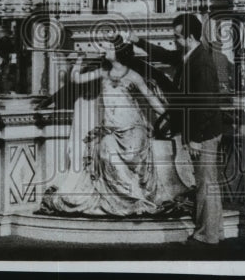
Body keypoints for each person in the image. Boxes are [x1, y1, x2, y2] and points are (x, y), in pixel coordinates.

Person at [38, 36, 189, 217]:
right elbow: (77, 79)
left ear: (118, 52)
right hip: (111, 131)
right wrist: (78, 59)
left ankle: (134, 198)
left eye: (107, 47)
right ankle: (120, 202)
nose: (102, 49)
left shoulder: (133, 76)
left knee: (133, 160)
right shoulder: (103, 72)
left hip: (133, 130)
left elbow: (151, 98)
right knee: (105, 154)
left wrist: (166, 115)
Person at [134, 13, 224, 244]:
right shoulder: (189, 55)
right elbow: (163, 54)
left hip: (204, 134)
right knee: (206, 182)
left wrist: (195, 139)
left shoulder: (201, 62)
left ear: (191, 37)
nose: (175, 41)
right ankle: (213, 231)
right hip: (200, 132)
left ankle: (207, 236)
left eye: (178, 37)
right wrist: (137, 41)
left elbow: (205, 105)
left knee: (206, 183)